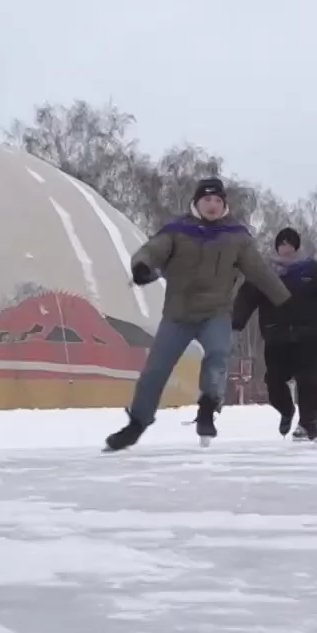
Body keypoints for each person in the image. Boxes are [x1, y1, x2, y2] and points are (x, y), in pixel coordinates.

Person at [105, 177, 292, 452]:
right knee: (155, 371)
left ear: (224, 204)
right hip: (178, 315)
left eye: (218, 200)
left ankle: (208, 406)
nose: (212, 205)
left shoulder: (236, 237)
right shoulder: (177, 231)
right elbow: (152, 250)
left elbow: (260, 271)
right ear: (196, 202)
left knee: (218, 353)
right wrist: (142, 267)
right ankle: (137, 423)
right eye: (207, 200)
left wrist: (284, 300)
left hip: (215, 313)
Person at [231, 226, 317, 442]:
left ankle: (308, 423)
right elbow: (245, 300)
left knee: (308, 380)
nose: (286, 249)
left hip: (311, 336)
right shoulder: (263, 274)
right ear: (276, 247)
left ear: (297, 247)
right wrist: (236, 323)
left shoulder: (314, 272)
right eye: (282, 244)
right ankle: (286, 410)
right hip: (277, 338)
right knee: (274, 382)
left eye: (290, 245)